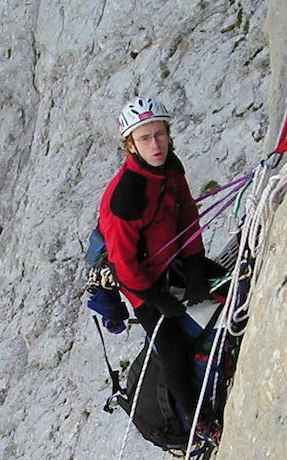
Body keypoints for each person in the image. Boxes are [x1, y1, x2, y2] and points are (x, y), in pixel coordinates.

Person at [89, 95, 220, 434]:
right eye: (145, 138)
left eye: (160, 134)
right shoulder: (124, 198)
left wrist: (194, 268)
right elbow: (124, 264)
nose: (156, 144)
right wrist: (158, 301)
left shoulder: (171, 168)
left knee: (229, 284)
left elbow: (187, 214)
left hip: (174, 263)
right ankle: (199, 422)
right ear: (130, 146)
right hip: (142, 286)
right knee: (172, 350)